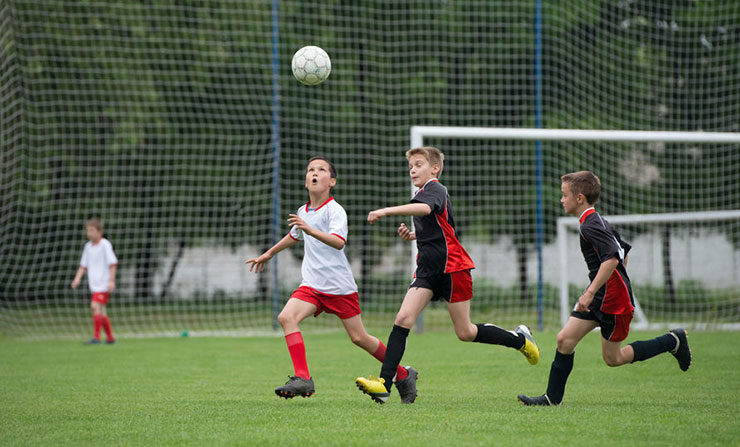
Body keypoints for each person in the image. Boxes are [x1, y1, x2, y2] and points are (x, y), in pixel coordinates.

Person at [355, 146, 539, 404]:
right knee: (403, 318)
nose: (413, 170)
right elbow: (444, 227)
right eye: (410, 166)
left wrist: (386, 211)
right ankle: (384, 384)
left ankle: (519, 340)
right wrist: (415, 236)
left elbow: (426, 210)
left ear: (434, 168)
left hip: (453, 268)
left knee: (465, 332)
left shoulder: (435, 190)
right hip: (428, 270)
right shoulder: (421, 195)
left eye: (418, 164)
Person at [246, 156, 418, 401]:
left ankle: (403, 374)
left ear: (332, 181)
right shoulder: (303, 212)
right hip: (312, 286)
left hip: (339, 288)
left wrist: (309, 230)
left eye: (321, 170)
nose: (314, 173)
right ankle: (303, 378)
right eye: (310, 170)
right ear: (306, 181)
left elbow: (338, 242)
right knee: (286, 317)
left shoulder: (335, 211)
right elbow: (294, 235)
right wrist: (269, 253)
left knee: (359, 338)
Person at [517, 170, 692, 406]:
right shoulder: (594, 221)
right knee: (564, 340)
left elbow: (612, 259)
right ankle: (551, 399)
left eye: (564, 195)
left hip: (613, 300)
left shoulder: (591, 225)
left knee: (613, 358)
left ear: (579, 198)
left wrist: (593, 291)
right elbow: (623, 252)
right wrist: (605, 285)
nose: (561, 200)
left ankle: (672, 341)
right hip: (602, 294)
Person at [71, 217, 118, 345]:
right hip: (94, 285)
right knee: (101, 311)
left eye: (92, 230)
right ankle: (110, 338)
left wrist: (111, 281)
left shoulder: (105, 245)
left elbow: (112, 264)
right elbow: (83, 266)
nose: (89, 233)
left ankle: (96, 337)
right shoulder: (88, 247)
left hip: (104, 284)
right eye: (88, 230)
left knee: (94, 306)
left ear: (99, 232)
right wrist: (77, 279)